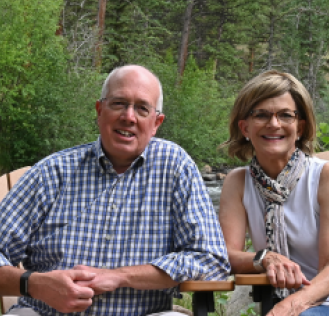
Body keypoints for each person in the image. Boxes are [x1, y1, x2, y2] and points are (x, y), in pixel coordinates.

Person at [0, 65, 230, 316]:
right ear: (100, 111)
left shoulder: (175, 167)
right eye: (119, 103)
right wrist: (35, 284)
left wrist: (120, 277)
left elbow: (211, 259)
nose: (129, 117)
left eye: (142, 108)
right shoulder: (52, 172)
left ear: (156, 122)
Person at [219, 70, 329, 316]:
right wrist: (263, 257)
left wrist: (290, 306)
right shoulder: (238, 182)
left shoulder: (327, 176)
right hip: (280, 306)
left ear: (300, 127)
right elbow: (227, 257)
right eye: (261, 115)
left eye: (285, 115)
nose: (274, 124)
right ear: (245, 127)